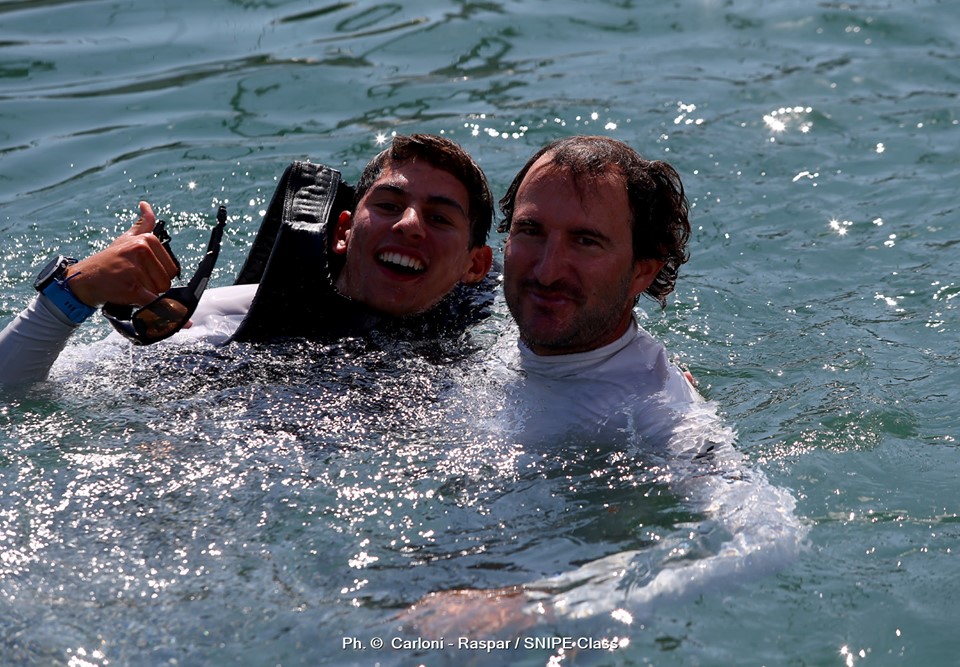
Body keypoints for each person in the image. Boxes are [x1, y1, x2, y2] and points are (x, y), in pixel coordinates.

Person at [401, 135, 709, 634]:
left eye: (586, 241)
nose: (546, 271)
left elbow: (761, 536)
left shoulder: (658, 408)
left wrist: (542, 604)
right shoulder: (490, 325)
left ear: (641, 272)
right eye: (531, 231)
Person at [0, 134, 495, 385]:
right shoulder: (220, 325)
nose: (409, 224)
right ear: (343, 232)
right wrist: (73, 293)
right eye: (388, 205)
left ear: (475, 266)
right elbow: (12, 398)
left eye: (439, 218)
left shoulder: (487, 363)